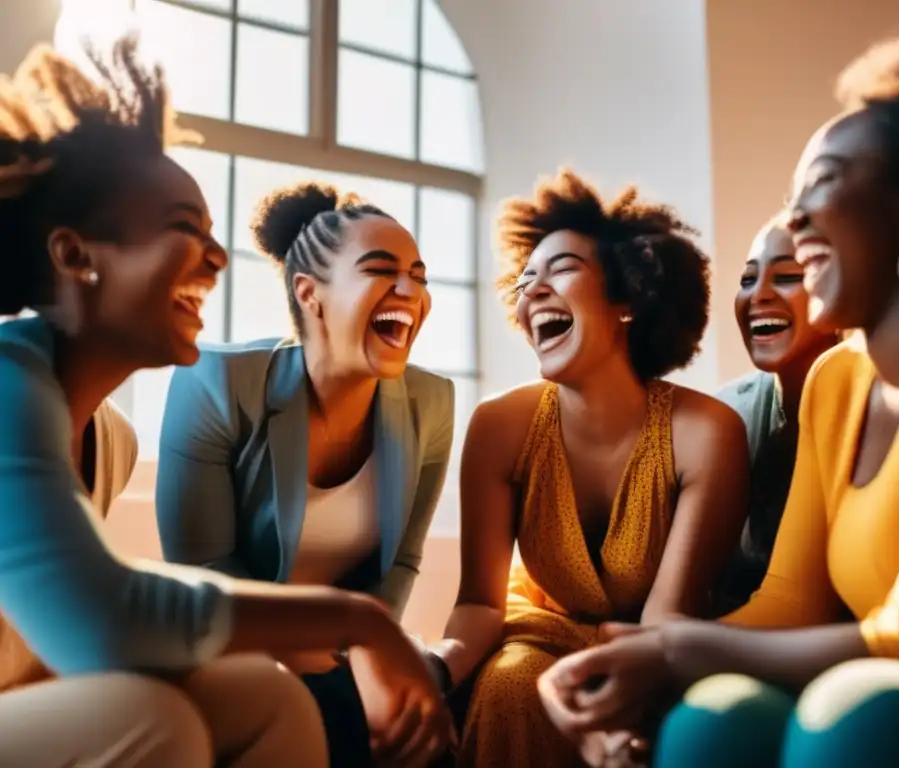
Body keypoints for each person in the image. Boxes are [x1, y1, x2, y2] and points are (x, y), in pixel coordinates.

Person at [536, 11, 899, 767]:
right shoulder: (835, 380)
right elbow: (787, 605)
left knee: (863, 716)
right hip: (889, 693)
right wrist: (632, 658)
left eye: (822, 184)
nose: (794, 219)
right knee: (715, 715)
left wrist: (674, 651)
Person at [0, 35, 445, 767]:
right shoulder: (7, 387)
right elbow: (98, 620)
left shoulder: (111, 439)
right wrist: (358, 622)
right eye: (184, 229)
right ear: (76, 256)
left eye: (213, 234)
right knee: (145, 716)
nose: (217, 258)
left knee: (262, 697)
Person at [431, 168, 750, 767]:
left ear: (627, 299)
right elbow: (478, 603)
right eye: (525, 281)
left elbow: (666, 619)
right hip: (534, 638)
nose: (533, 292)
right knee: (509, 679)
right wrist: (431, 667)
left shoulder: (706, 432)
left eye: (561, 269)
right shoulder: (499, 426)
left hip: (659, 648)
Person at [156, 180, 455, 766]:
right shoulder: (214, 382)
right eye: (381, 269)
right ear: (309, 293)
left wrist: (367, 658)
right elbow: (203, 570)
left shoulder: (433, 403)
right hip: (233, 645)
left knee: (424, 728)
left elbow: (400, 564)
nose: (410, 290)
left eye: (418, 275)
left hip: (349, 649)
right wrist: (332, 656)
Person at [711, 215, 839, 616]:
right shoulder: (724, 416)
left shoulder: (875, 409)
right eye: (748, 279)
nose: (759, 295)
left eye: (786, 276)